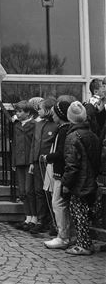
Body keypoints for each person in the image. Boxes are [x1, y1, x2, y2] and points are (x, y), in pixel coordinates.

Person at [62, 101, 102, 255]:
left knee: (79, 214)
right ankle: (85, 243)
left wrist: (66, 183)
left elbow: (71, 165)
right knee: (84, 213)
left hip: (79, 181)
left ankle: (83, 244)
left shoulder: (73, 136)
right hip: (91, 179)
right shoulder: (92, 134)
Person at [43, 100, 72, 249]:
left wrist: (48, 157)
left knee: (58, 203)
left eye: (54, 113)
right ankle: (65, 234)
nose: (52, 115)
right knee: (61, 204)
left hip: (61, 173)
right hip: (62, 172)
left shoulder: (63, 130)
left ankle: (63, 236)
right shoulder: (65, 128)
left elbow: (60, 153)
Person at [28, 97, 57, 235]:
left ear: (48, 110)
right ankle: (41, 220)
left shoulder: (55, 125)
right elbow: (34, 143)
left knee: (50, 192)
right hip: (37, 162)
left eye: (40, 108)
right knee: (39, 191)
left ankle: (53, 221)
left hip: (49, 163)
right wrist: (32, 162)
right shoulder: (38, 124)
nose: (37, 111)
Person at [11, 100, 36, 231]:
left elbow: (34, 144)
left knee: (29, 190)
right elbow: (14, 144)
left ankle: (34, 217)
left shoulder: (33, 125)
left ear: (28, 113)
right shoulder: (17, 126)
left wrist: (32, 160)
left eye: (20, 111)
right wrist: (13, 161)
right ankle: (27, 217)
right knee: (22, 191)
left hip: (28, 161)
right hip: (19, 161)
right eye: (17, 112)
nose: (18, 114)